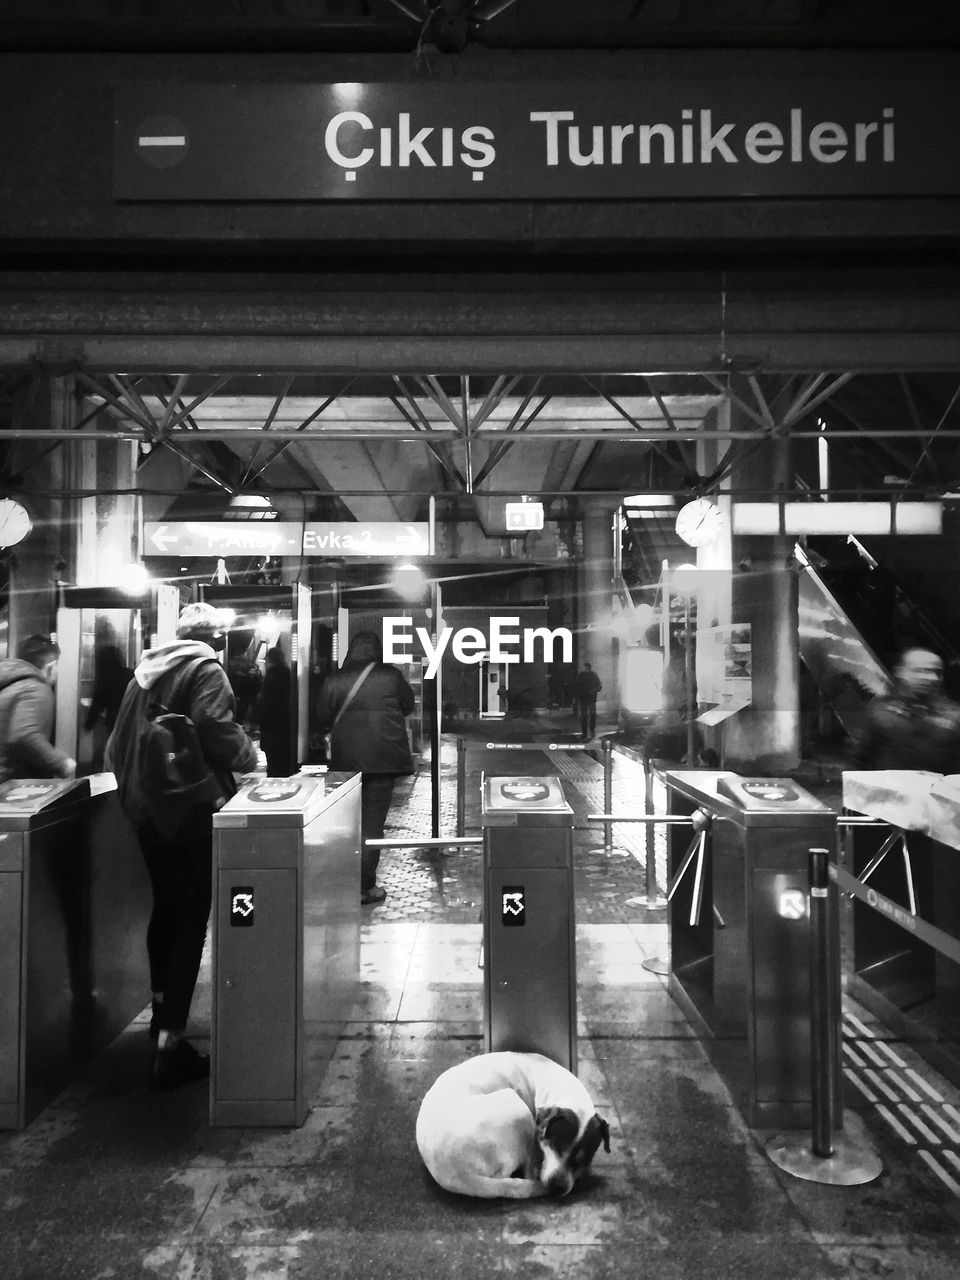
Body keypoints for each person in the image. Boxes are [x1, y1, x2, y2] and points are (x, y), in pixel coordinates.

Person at [106, 602, 257, 1091]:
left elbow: (115, 745)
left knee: (166, 909)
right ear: (215, 637)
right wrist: (251, 755)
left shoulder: (144, 674)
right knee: (193, 915)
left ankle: (159, 1020)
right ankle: (171, 1046)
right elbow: (216, 728)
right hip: (187, 809)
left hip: (143, 808)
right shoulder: (205, 668)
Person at [316, 630, 414, 906]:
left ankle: (341, 881)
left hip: (345, 762)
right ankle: (364, 885)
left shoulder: (336, 678)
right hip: (383, 761)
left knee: (346, 823)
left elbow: (323, 714)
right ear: (377, 651)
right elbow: (407, 706)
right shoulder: (391, 676)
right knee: (372, 825)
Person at [848, 646, 960, 772]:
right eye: (920, 671)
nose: (931, 678)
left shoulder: (954, 715)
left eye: (937, 672)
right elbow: (859, 759)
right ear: (901, 672)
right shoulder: (880, 711)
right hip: (888, 789)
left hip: (938, 790)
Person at [0, 633, 76, 782]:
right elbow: (24, 736)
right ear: (51, 667)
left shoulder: (9, 683)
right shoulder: (36, 687)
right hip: (9, 785)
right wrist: (62, 763)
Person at [257, 646, 293, 776]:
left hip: (272, 731)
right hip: (286, 729)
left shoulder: (270, 677)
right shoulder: (288, 674)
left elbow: (266, 706)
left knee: (273, 766)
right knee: (284, 765)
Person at [573, 661, 602, 740]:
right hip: (590, 698)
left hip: (585, 698)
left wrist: (577, 696)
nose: (584, 668)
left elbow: (576, 686)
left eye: (584, 667)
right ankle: (590, 731)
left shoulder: (582, 676)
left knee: (585, 716)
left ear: (586, 667)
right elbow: (599, 686)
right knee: (590, 715)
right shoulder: (593, 675)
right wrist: (594, 690)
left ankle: (586, 732)